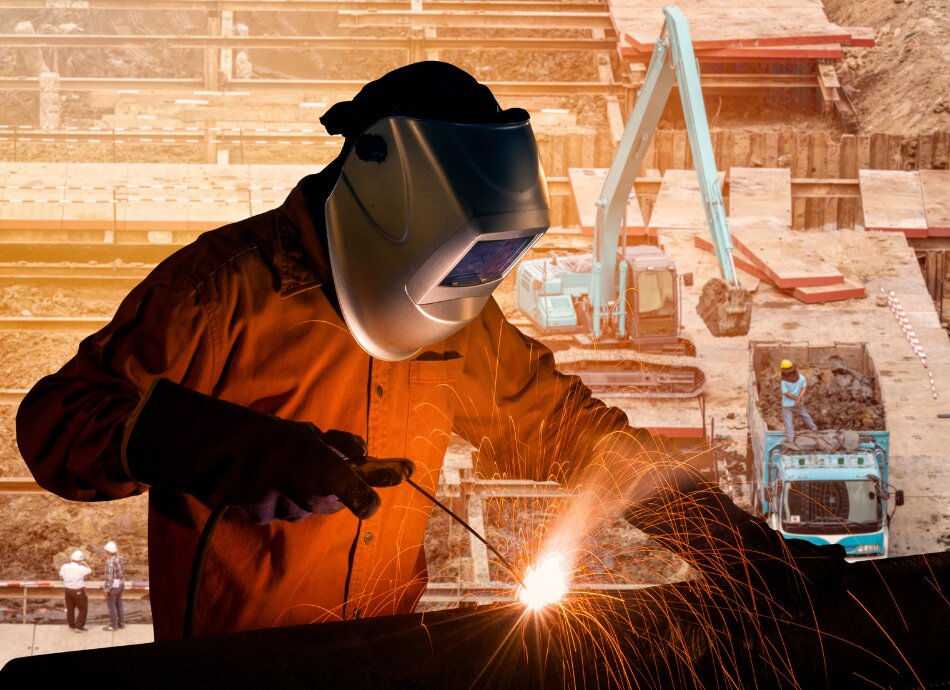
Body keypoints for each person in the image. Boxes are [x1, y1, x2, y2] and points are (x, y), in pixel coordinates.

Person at [16, 62, 843, 642]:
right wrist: (219, 446)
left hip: (386, 658)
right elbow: (57, 426)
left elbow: (580, 439)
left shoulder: (460, 324)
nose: (471, 287)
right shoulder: (221, 289)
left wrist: (735, 549)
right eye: (463, 260)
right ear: (387, 196)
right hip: (236, 668)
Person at [780, 359, 817, 443]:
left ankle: (790, 438)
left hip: (787, 405)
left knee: (788, 420)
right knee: (804, 414)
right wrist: (798, 399)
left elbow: (786, 393)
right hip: (798, 403)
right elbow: (804, 388)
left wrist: (795, 399)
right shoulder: (801, 378)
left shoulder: (784, 381)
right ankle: (813, 428)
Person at [58, 550, 91, 632]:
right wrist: (85, 564)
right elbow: (90, 571)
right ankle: (79, 626)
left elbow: (61, 575)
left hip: (68, 590)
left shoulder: (64, 566)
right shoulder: (81, 568)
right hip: (78, 590)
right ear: (80, 560)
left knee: (70, 608)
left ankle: (71, 626)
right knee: (83, 608)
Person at [102, 540, 126, 631]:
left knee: (111, 605)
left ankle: (113, 625)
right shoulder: (119, 558)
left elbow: (109, 578)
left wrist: (105, 590)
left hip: (113, 586)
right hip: (120, 584)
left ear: (107, 551)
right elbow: (123, 571)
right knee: (119, 603)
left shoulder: (110, 562)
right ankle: (121, 623)